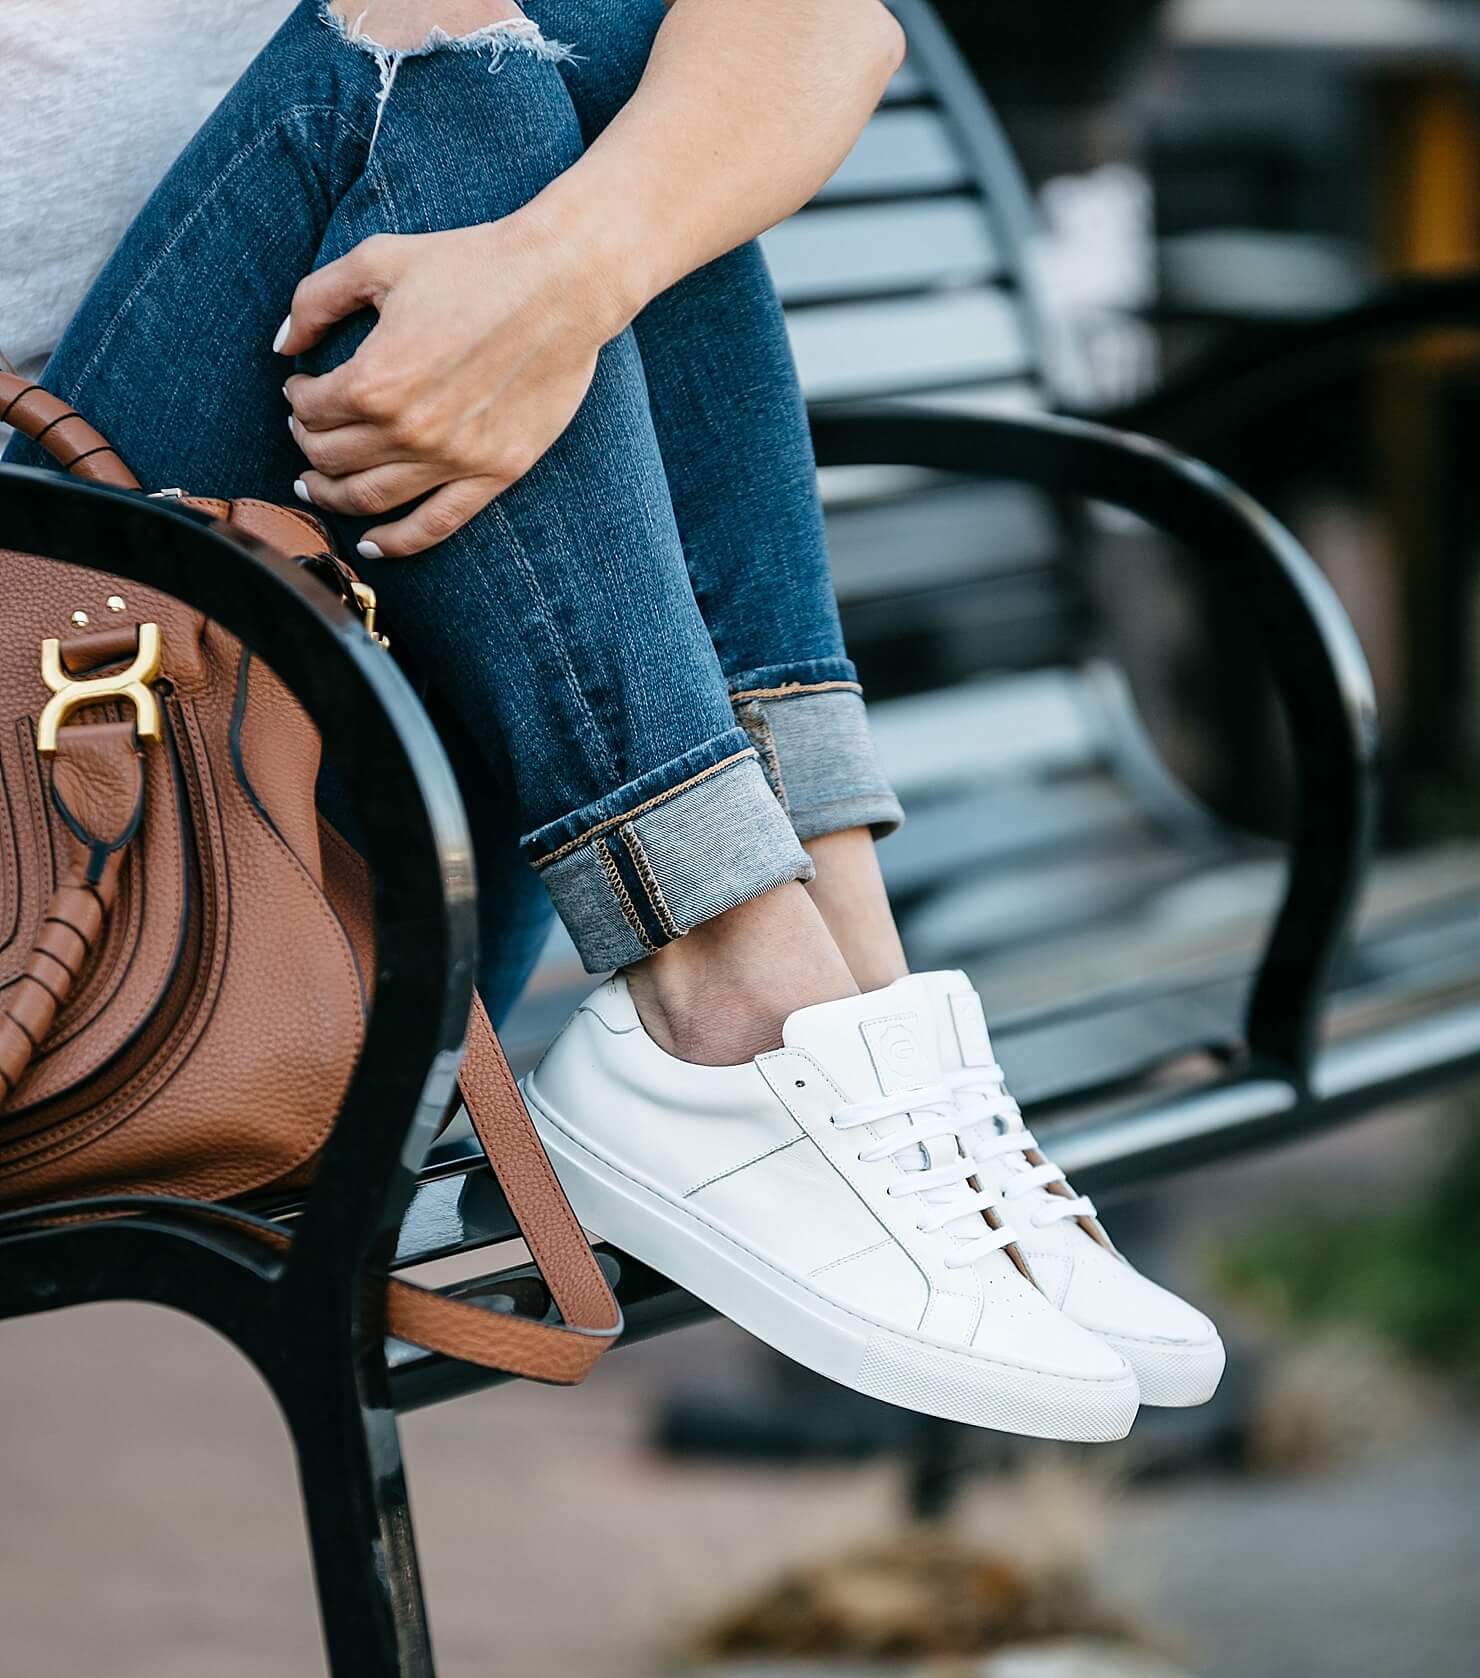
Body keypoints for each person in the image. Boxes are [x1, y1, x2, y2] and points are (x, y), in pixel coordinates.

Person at [1, 0, 1223, 1437]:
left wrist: (564, 278)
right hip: (81, 847)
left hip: (319, 805)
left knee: (597, 63)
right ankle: (741, 998)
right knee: (438, 76)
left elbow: (827, 28)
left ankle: (827, 1000)